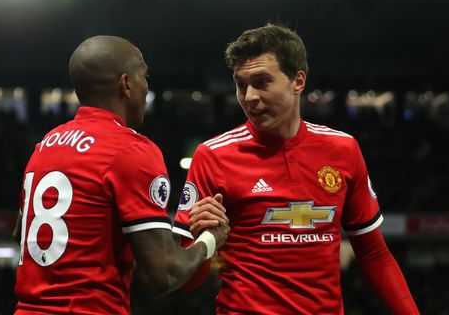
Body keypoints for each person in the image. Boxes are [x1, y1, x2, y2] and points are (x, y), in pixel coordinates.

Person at [174, 24, 419, 314]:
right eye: (241, 84)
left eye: (262, 82)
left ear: (298, 81)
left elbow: (374, 253)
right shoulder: (213, 155)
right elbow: (189, 282)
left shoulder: (343, 149)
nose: (249, 96)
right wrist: (207, 241)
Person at [13, 35, 230, 314]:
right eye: (144, 77)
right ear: (126, 84)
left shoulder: (44, 146)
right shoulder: (130, 149)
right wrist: (210, 238)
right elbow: (163, 274)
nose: (146, 88)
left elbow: (21, 235)